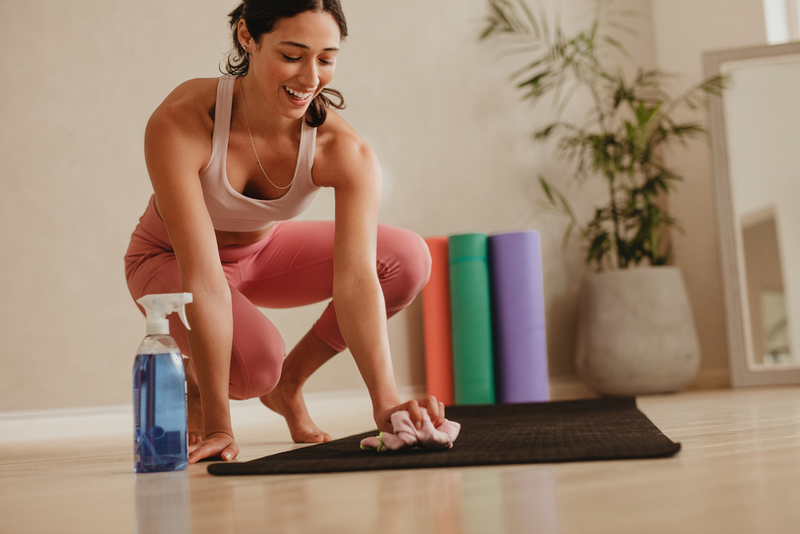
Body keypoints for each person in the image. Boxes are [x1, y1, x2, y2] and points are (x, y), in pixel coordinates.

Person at [124, 0, 444, 464]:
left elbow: (356, 280)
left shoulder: (342, 149)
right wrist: (219, 426)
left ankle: (291, 383)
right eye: (292, 55)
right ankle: (200, 382)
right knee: (256, 369)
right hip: (169, 261)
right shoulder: (183, 120)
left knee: (406, 258)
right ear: (247, 37)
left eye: (327, 59)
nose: (310, 78)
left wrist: (387, 403)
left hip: (262, 252)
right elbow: (204, 277)